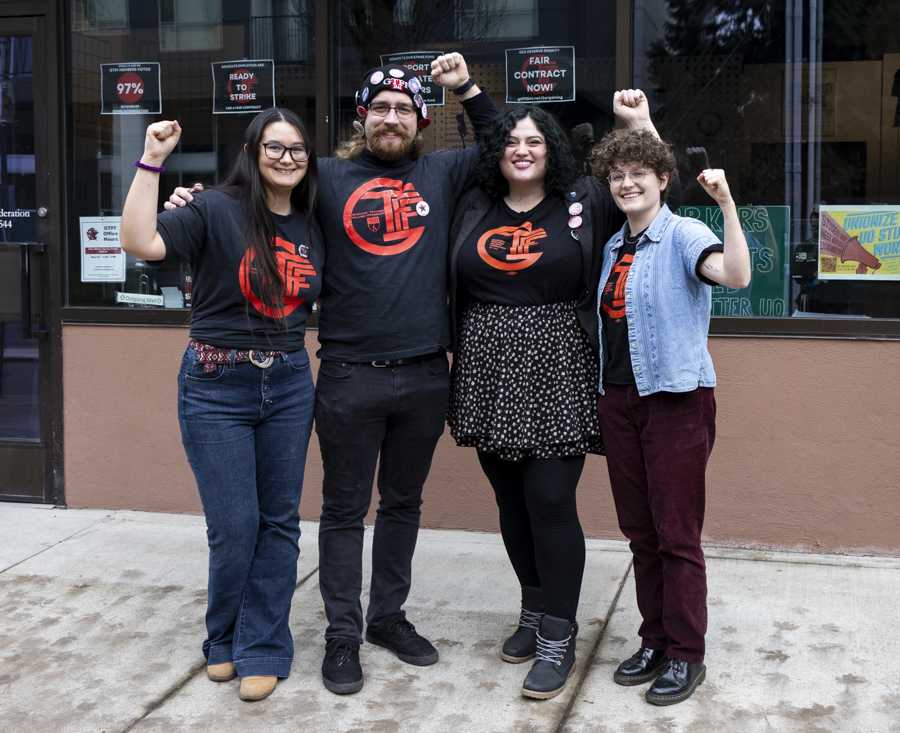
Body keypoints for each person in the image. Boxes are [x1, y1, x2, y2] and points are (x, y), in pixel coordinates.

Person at [166, 54, 498, 695]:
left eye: (404, 108)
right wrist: (190, 200)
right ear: (362, 117)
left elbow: (502, 145)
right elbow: (257, 189)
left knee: (403, 504)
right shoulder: (325, 177)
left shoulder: (443, 172)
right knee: (344, 511)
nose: (392, 117)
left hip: (427, 372)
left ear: (422, 120)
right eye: (380, 108)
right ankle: (341, 637)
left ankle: (388, 619)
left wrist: (465, 88)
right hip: (348, 374)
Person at [446, 92, 656, 700]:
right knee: (510, 501)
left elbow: (651, 183)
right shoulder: (473, 203)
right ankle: (534, 609)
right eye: (511, 141)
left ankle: (559, 635)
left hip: (558, 363)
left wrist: (639, 124)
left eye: (535, 140)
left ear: (552, 149)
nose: (522, 149)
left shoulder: (585, 200)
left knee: (550, 500)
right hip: (486, 367)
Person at [120, 108, 322, 703]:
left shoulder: (313, 223)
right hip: (215, 383)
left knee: (279, 522)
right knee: (234, 526)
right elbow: (140, 241)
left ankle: (263, 644)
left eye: (298, 149)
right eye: (275, 147)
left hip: (287, 382)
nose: (287, 158)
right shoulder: (213, 209)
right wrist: (152, 160)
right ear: (253, 151)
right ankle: (223, 636)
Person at [589, 128, 750, 706]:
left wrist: (727, 204)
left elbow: (735, 276)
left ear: (662, 180)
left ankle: (687, 654)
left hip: (676, 399)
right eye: (617, 175)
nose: (626, 183)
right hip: (619, 401)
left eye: (639, 173)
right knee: (640, 533)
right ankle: (654, 640)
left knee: (677, 535)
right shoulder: (613, 248)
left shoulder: (685, 234)